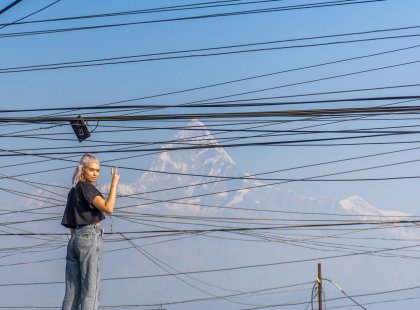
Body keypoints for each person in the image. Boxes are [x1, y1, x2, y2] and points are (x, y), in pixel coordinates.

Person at [61, 153, 120, 310]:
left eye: (98, 170)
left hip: (74, 241)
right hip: (89, 237)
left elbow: (71, 225)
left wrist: (79, 238)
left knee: (72, 292)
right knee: (90, 290)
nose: (95, 174)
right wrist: (114, 183)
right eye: (92, 170)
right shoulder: (87, 188)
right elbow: (108, 208)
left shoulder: (73, 192)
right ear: (83, 170)